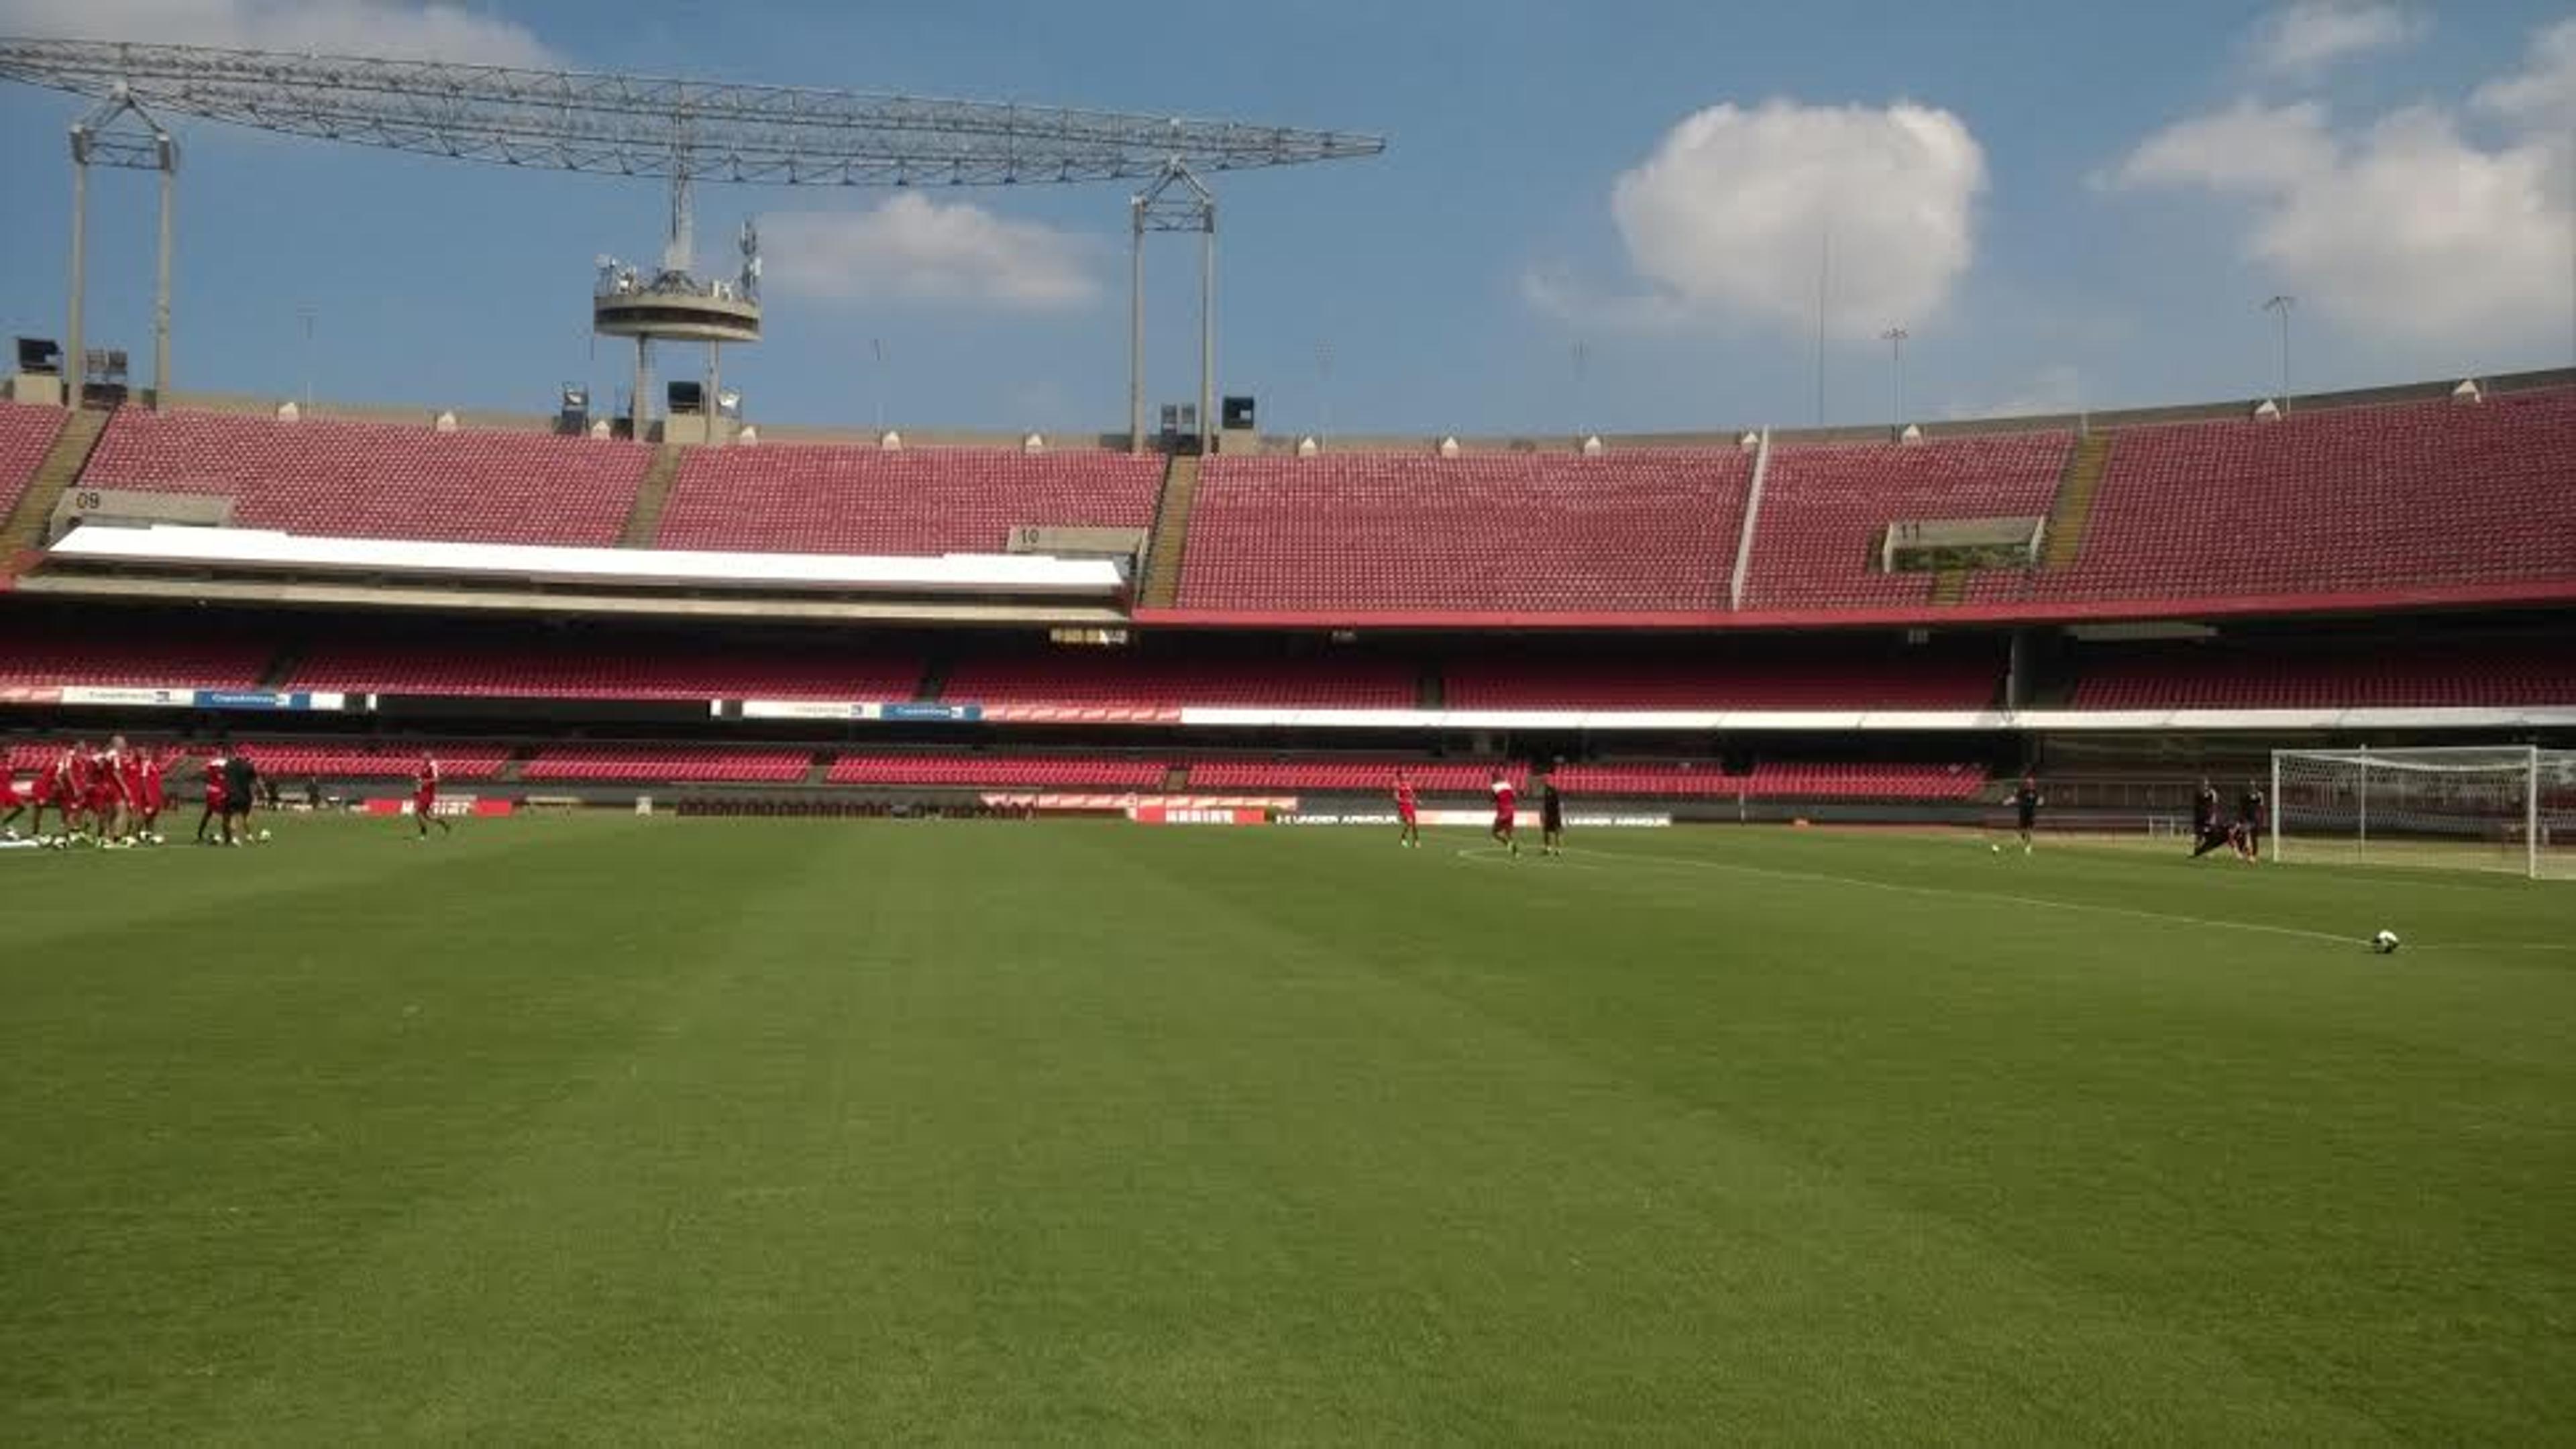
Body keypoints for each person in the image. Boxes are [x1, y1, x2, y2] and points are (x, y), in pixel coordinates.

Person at [222, 748, 260, 846]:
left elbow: (224, 779)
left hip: (232, 795)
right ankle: (249, 836)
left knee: (233, 817)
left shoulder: (227, 765)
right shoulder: (248, 765)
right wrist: (258, 794)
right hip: (246, 796)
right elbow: (255, 781)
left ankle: (235, 838)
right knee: (246, 816)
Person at [2189, 777, 2232, 858]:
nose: (2204, 785)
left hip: (2209, 816)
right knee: (2199, 835)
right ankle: (2197, 851)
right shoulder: (2198, 793)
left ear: (2208, 784)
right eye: (2203, 784)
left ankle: (2209, 852)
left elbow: (2215, 806)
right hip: (2200, 816)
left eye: (2206, 784)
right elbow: (2196, 806)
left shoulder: (2213, 793)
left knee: (2210, 835)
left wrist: (2213, 817)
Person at [413, 751, 451, 839]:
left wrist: (426, 781)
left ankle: (424, 833)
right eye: (424, 758)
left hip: (428, 793)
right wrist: (417, 778)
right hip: (421, 791)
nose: (424, 759)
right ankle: (445, 824)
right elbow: (420, 777)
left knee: (417, 812)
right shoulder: (423, 766)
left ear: (430, 758)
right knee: (427, 816)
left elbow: (437, 779)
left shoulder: (433, 766)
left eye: (426, 758)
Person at [197, 747, 229, 845]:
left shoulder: (211, 763)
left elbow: (202, 773)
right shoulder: (227, 764)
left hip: (211, 792)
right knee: (226, 815)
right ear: (225, 754)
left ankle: (200, 834)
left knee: (208, 813)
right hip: (220, 793)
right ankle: (228, 838)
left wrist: (209, 783)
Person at [2235, 780, 2267, 863]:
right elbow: (2241, 809)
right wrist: (2240, 819)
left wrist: (2263, 819)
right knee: (2245, 834)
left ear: (2256, 786)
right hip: (2246, 819)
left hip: (2256, 819)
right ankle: (2247, 854)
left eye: (2253, 785)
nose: (2251, 787)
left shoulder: (2260, 795)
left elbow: (2262, 808)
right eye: (2250, 785)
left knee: (2254, 838)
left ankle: (2253, 855)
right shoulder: (2244, 796)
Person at [1489, 769, 1520, 858]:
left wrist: (1496, 798)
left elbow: (1491, 800)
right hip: (1511, 811)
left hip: (1503, 811)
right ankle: (1516, 853)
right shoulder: (1508, 784)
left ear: (1494, 778)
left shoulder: (1494, 786)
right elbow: (1515, 798)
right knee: (1509, 834)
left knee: (1494, 832)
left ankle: (1507, 843)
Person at [2011, 773, 2043, 854]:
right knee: (2022, 830)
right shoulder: (2022, 791)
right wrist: (2008, 801)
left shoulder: (2035, 792)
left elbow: (2040, 799)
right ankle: (2024, 841)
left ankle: (2028, 846)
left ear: (2033, 784)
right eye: (2028, 783)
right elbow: (2015, 798)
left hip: (2031, 813)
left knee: (2029, 830)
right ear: (2026, 784)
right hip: (2023, 813)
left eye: (2031, 783)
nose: (2029, 784)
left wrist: (2040, 802)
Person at [1539, 768, 1566, 857]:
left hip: (1555, 815)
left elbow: (1560, 804)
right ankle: (1548, 849)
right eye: (1543, 780)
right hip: (1549, 815)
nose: (1543, 781)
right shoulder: (1546, 791)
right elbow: (1545, 804)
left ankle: (1558, 850)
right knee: (1546, 832)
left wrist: (1560, 815)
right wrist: (1543, 814)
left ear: (1548, 780)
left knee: (1557, 832)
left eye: (1544, 779)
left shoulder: (1554, 790)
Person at [1391, 769, 1420, 849]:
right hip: (1403, 807)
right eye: (1403, 774)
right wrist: (1406, 801)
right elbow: (1396, 798)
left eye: (1405, 774)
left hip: (1411, 806)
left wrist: (1417, 801)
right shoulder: (1397, 785)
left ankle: (1416, 841)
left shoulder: (1408, 784)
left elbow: (1412, 794)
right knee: (1409, 822)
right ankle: (1403, 838)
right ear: (1399, 776)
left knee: (1414, 825)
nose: (1405, 775)